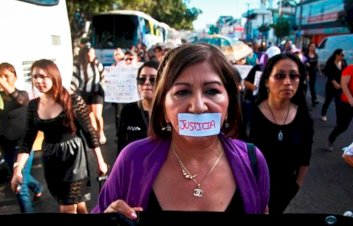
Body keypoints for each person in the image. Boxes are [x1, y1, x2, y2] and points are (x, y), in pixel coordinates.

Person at [92, 43, 270, 218]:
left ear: (230, 101)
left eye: (212, 91)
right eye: (182, 92)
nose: (198, 107)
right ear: (163, 105)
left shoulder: (253, 161)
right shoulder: (132, 159)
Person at [11, 59, 108, 214]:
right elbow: (27, 139)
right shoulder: (33, 105)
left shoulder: (73, 101)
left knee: (67, 207)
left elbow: (89, 132)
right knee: (79, 204)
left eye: (43, 76)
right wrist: (19, 168)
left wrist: (101, 162)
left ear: (54, 77)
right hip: (51, 159)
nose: (38, 81)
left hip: (74, 158)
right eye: (35, 77)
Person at [247, 53, 314, 214]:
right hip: (248, 191)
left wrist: (295, 187)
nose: (287, 82)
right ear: (266, 82)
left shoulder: (304, 118)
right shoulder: (248, 114)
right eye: (279, 76)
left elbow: (304, 159)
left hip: (283, 193)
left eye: (293, 76)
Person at [0, 62, 42, 213]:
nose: (3, 79)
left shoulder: (22, 95)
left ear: (15, 77)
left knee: (19, 187)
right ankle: (37, 187)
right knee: (17, 174)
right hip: (6, 146)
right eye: (0, 76)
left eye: (6, 76)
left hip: (22, 146)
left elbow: (19, 100)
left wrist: (2, 83)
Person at [117, 60, 159, 153]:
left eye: (153, 79)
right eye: (142, 79)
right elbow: (122, 145)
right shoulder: (128, 110)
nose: (146, 83)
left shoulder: (169, 111)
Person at [71, 46, 107, 144]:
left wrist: (104, 85)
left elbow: (104, 74)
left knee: (97, 115)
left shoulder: (96, 63)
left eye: (94, 53)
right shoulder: (77, 65)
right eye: (91, 53)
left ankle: (101, 132)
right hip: (84, 93)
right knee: (90, 115)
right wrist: (71, 92)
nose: (93, 55)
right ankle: (95, 134)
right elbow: (74, 80)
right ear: (85, 54)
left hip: (97, 92)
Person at [320, 49, 347, 122]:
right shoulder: (330, 62)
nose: (343, 57)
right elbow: (327, 73)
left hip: (340, 86)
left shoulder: (344, 62)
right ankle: (323, 114)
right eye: (342, 55)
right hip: (331, 85)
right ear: (337, 55)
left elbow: (345, 73)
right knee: (327, 101)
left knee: (338, 103)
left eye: (344, 55)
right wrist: (334, 83)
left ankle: (338, 119)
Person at [304, 42, 322, 107]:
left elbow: (317, 64)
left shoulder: (316, 55)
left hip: (313, 72)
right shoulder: (305, 55)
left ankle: (314, 100)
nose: (313, 47)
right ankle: (303, 101)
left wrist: (320, 72)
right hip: (306, 72)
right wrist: (307, 75)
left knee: (312, 87)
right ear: (309, 47)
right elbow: (303, 64)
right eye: (311, 46)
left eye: (314, 46)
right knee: (305, 87)